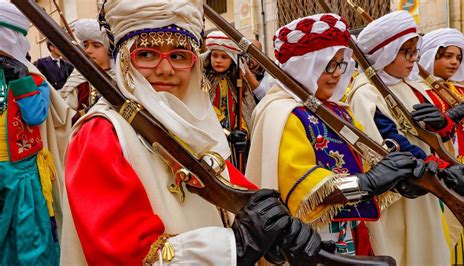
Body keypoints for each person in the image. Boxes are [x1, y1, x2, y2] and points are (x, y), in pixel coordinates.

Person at [60, 0, 326, 265]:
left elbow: (229, 189)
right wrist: (236, 247)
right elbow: (125, 254)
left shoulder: (189, 123)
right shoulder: (101, 132)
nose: (165, 69)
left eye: (178, 56)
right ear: (124, 60)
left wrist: (277, 225)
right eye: (146, 54)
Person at [245, 13, 423, 257]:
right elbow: (303, 186)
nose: (338, 73)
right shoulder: (283, 112)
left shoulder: (337, 110)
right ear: (306, 65)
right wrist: (365, 183)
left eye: (341, 63)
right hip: (313, 238)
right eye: (329, 64)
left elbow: (370, 157)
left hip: (353, 228)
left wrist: (401, 175)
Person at [346, 10, 454, 265]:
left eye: (415, 50)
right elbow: (391, 142)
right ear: (385, 53)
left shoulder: (410, 84)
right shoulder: (365, 93)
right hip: (401, 196)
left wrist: (443, 124)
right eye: (406, 52)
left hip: (428, 187)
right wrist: (442, 171)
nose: (414, 59)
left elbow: (433, 136)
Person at [0, 3, 60, 264]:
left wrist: (21, 79)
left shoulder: (34, 79)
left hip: (22, 175)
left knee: (28, 243)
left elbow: (35, 116)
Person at [418, 27, 464, 265]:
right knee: (453, 224)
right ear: (432, 55)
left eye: (458, 57)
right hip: (447, 166)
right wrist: (449, 116)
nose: (454, 62)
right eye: (447, 56)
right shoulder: (420, 91)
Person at [203, 30, 257, 168]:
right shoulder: (202, 80)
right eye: (215, 55)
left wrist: (243, 132)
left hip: (234, 144)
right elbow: (203, 107)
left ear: (232, 59)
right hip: (210, 139)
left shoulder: (239, 82)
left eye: (224, 57)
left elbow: (246, 110)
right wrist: (225, 131)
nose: (218, 60)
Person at [61, 18, 115, 123]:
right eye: (85, 45)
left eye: (96, 46)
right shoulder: (77, 80)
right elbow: (65, 117)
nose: (88, 50)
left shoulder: (123, 79)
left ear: (109, 48)